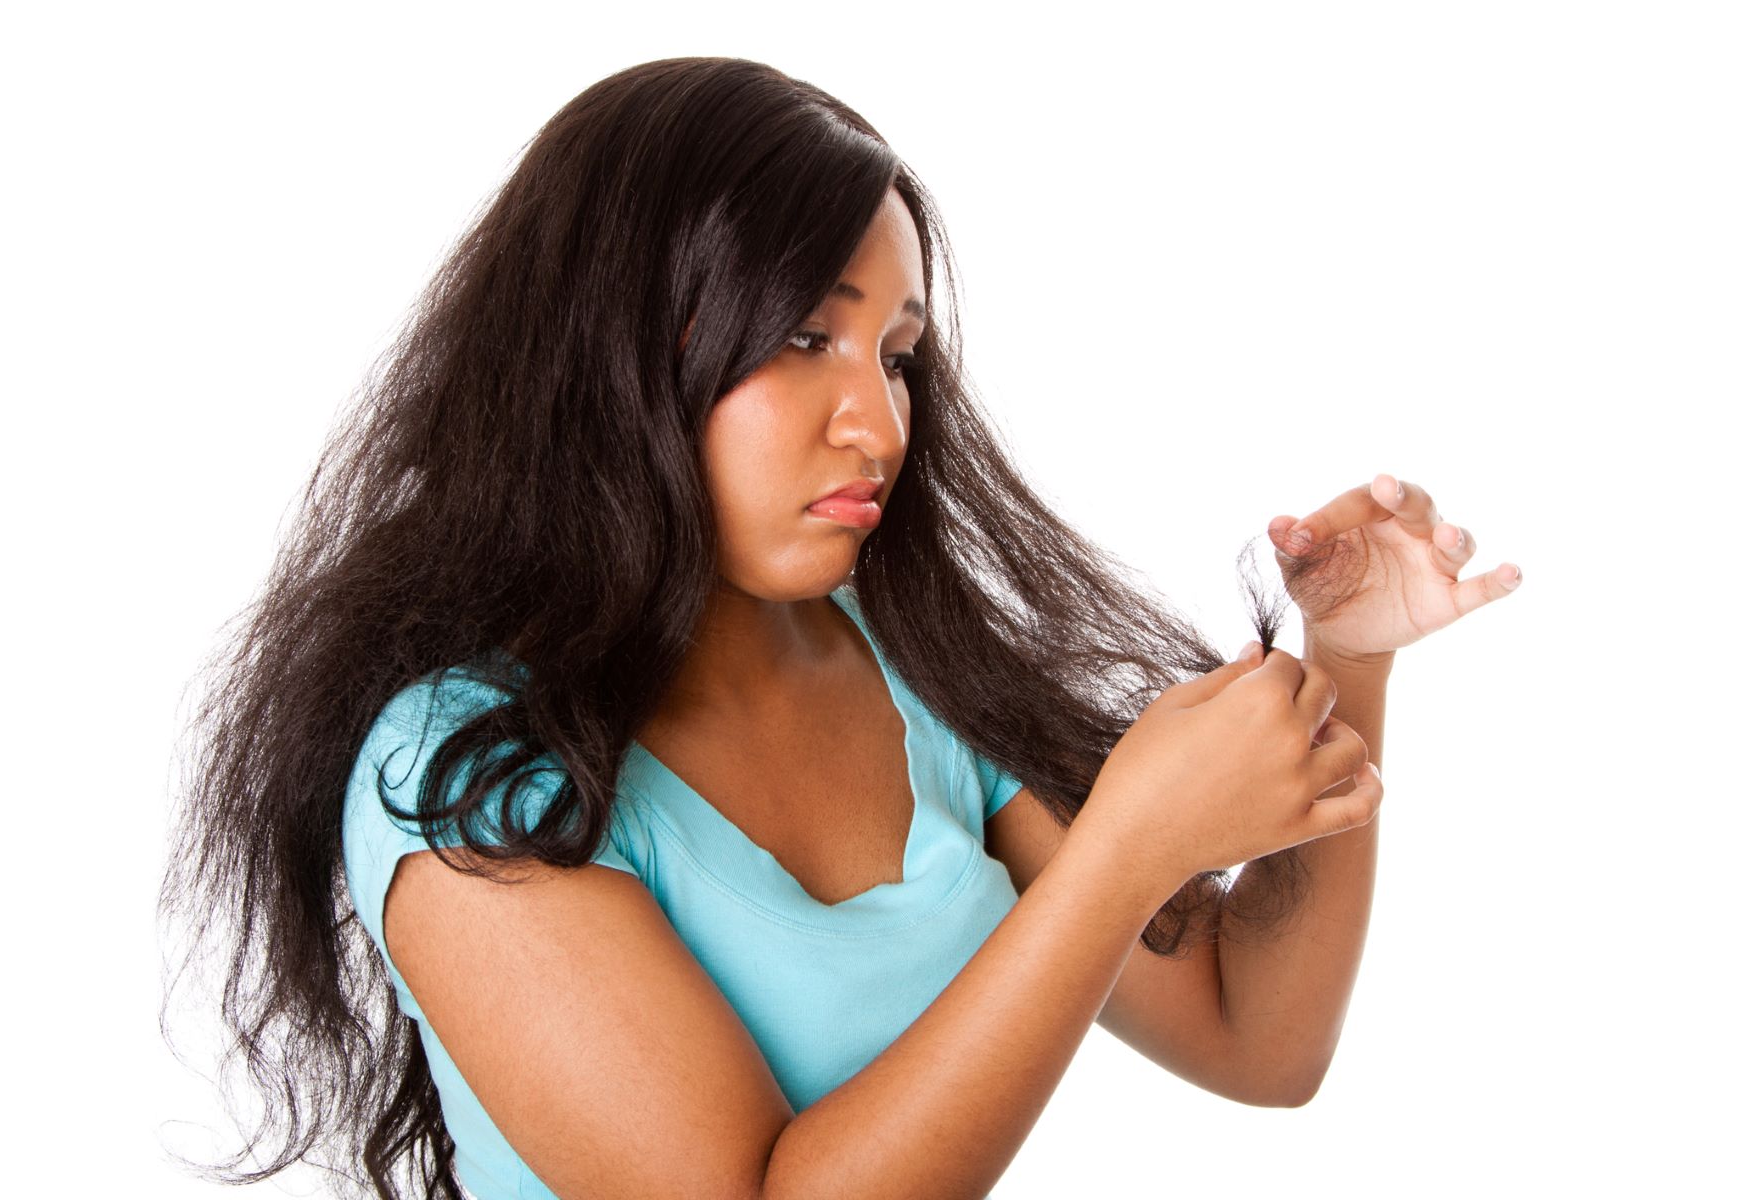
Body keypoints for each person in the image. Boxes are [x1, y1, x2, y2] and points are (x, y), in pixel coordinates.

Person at [162, 55, 1521, 1200]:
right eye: (805, 338)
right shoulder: (457, 767)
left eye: (897, 354)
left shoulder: (905, 658)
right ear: (621, 352)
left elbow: (1254, 1039)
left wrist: (1347, 656)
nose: (877, 422)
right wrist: (1121, 857)